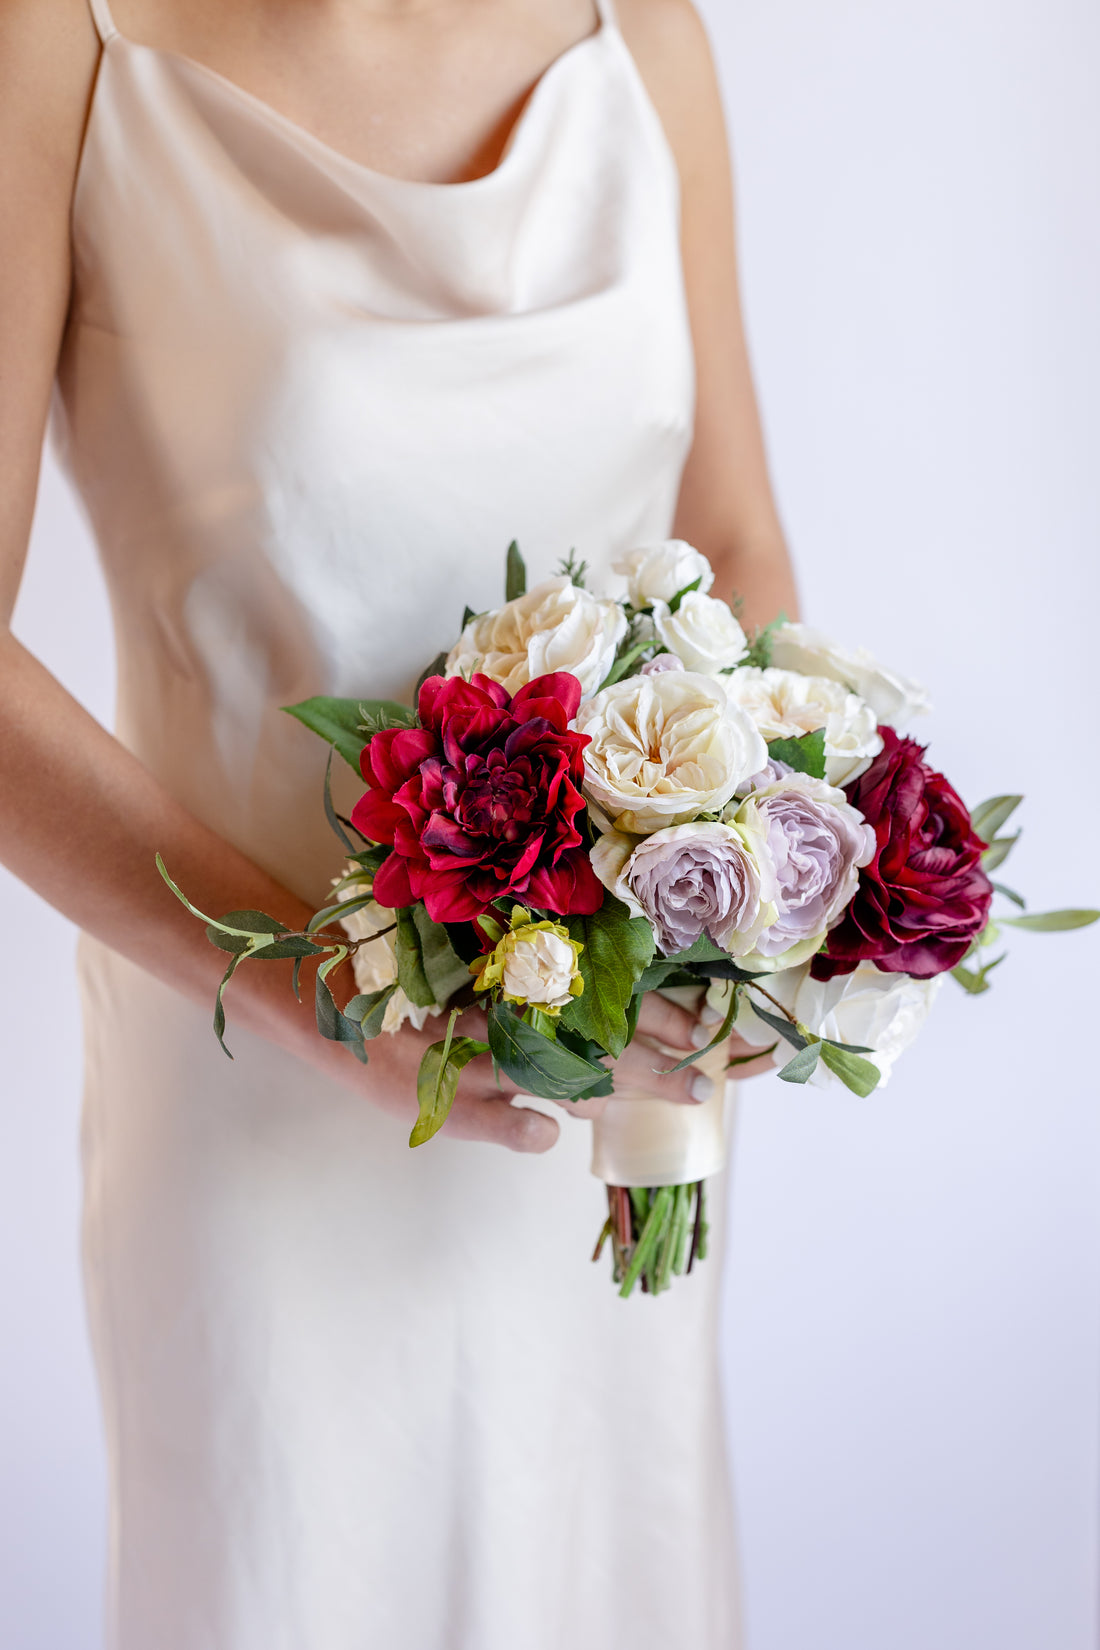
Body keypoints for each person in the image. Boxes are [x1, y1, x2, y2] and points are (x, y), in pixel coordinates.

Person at [0, 0, 797, 1644]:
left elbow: (731, 540)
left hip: (614, 1111)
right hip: (255, 1106)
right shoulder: (61, 44)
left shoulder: (643, 36)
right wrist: (320, 981)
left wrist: (751, 919)